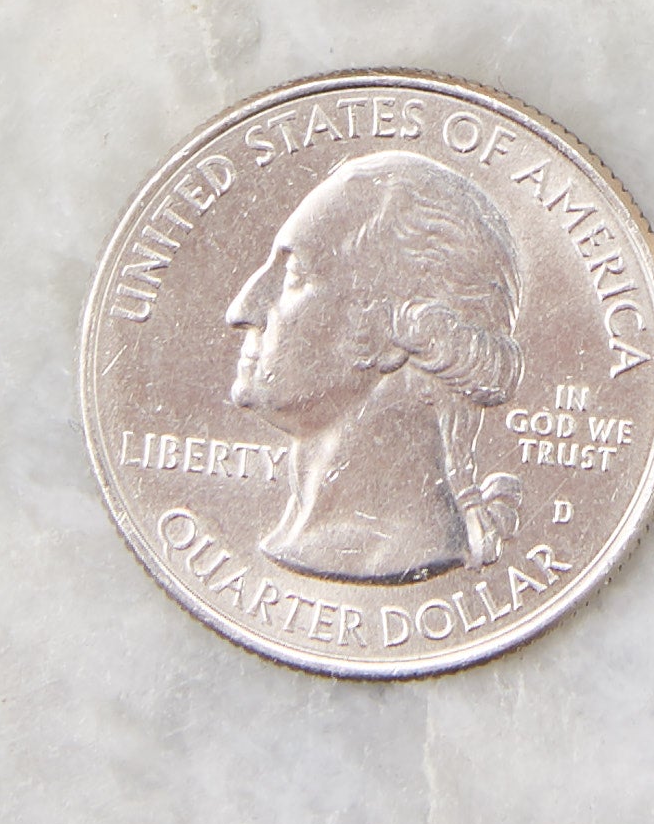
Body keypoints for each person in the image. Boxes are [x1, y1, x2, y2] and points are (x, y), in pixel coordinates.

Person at [221, 153, 523, 584]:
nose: (241, 309)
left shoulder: (394, 550)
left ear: (392, 328)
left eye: (294, 275)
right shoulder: (305, 540)